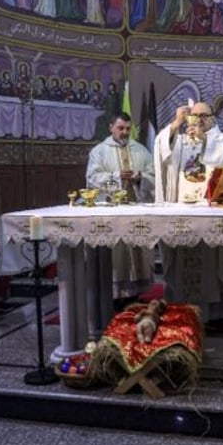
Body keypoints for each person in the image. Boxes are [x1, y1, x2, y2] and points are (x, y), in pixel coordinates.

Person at [154, 101, 223, 322]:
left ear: (213, 117)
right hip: (182, 210)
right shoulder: (181, 140)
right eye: (194, 115)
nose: (199, 119)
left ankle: (217, 314)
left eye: (204, 115)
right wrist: (175, 125)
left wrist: (206, 142)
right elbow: (161, 150)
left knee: (213, 262)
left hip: (211, 209)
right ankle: (182, 309)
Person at [86, 112, 156, 309]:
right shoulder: (99, 152)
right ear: (111, 128)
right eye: (120, 128)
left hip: (136, 211)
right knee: (118, 256)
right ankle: (116, 296)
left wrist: (140, 177)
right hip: (112, 213)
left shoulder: (141, 150)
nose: (125, 132)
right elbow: (92, 178)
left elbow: (154, 176)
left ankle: (134, 295)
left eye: (127, 128)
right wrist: (117, 177)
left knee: (137, 252)